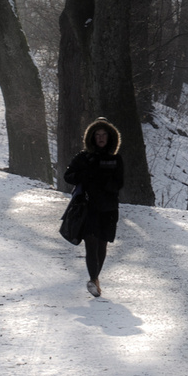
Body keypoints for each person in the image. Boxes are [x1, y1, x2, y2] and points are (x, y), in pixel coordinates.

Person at [63, 117, 125, 297]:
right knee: (90, 243)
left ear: (110, 137)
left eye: (104, 134)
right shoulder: (83, 158)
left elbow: (119, 183)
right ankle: (92, 279)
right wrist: (86, 174)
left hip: (108, 209)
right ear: (91, 137)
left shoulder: (116, 159)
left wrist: (104, 182)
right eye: (97, 135)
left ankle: (95, 279)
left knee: (101, 245)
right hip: (88, 207)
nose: (101, 138)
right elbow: (69, 176)